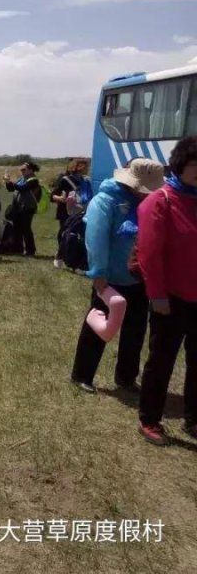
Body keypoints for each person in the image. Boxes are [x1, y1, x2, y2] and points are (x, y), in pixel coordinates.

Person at [69, 158, 165, 395]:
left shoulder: (145, 202)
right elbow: (96, 239)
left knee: (135, 329)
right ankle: (82, 374)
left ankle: (126, 377)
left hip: (138, 277)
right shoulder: (105, 201)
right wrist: (99, 273)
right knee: (97, 325)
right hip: (110, 277)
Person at [137, 137, 197, 445]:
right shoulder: (160, 200)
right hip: (170, 299)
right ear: (180, 165)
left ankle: (193, 418)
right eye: (195, 164)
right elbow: (149, 253)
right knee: (162, 361)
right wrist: (157, 294)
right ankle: (150, 419)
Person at [52, 158, 91, 268]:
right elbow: (53, 195)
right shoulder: (65, 179)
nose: (86, 168)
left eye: (86, 166)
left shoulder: (86, 180)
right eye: (83, 165)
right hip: (66, 211)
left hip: (82, 211)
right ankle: (59, 256)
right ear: (75, 166)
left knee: (79, 235)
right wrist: (62, 199)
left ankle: (75, 258)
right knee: (64, 234)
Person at [3, 161, 42, 257]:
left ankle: (30, 250)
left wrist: (10, 182)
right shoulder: (22, 178)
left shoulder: (33, 180)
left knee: (26, 229)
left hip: (28, 207)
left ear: (31, 170)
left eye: (24, 169)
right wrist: (7, 182)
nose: (22, 171)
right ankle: (18, 249)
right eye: (21, 169)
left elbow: (22, 188)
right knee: (17, 229)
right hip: (18, 207)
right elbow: (11, 189)